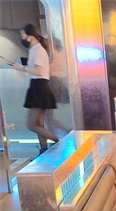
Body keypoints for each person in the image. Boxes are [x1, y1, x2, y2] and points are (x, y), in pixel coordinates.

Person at [10, 24, 59, 155]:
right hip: (38, 87)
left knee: (31, 125)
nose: (22, 38)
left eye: (23, 35)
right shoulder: (35, 50)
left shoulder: (38, 50)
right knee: (39, 124)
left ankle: (58, 141)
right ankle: (44, 151)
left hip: (39, 88)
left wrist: (22, 68)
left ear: (30, 36)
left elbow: (39, 71)